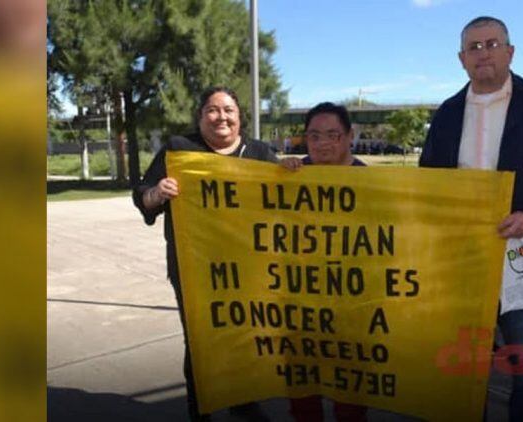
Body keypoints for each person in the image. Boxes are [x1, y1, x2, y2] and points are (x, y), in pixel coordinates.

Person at [419, 16, 523, 421]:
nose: (483, 54)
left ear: (510, 52)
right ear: (461, 59)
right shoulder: (447, 113)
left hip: (522, 257)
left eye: (492, 44)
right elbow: (427, 180)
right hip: (463, 262)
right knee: (464, 364)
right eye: (473, 48)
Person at [132, 86, 277, 421]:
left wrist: (293, 169)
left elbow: (290, 195)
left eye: (228, 110)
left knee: (245, 332)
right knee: (200, 337)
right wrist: (157, 193)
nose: (221, 117)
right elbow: (142, 195)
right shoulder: (179, 150)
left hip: (249, 268)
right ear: (200, 118)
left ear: (240, 118)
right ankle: (200, 406)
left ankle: (243, 398)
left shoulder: (259, 152)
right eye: (212, 110)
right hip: (193, 266)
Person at [280, 102, 367, 422]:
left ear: (349, 137)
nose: (323, 143)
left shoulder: (373, 184)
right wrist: (278, 176)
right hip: (300, 301)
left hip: (352, 303)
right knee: (303, 388)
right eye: (314, 136)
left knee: (351, 390)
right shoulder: (293, 174)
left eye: (333, 135)